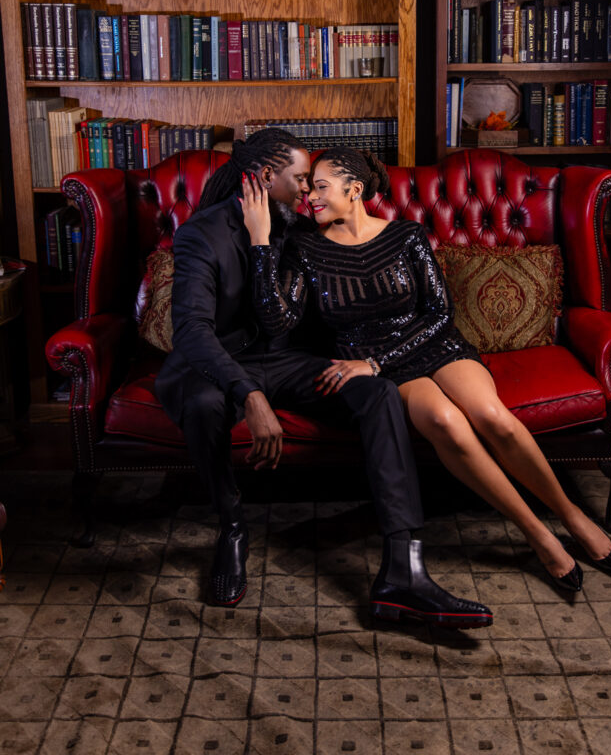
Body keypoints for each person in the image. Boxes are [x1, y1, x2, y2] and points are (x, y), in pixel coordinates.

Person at [242, 147, 611, 593]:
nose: (309, 197)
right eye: (309, 188)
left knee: (492, 418)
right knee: (446, 421)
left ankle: (571, 517)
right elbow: (277, 322)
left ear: (355, 189)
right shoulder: (304, 248)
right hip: (379, 367)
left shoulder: (406, 236)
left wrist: (376, 361)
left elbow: (441, 314)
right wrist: (260, 243)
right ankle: (536, 533)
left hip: (430, 346)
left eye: (321, 187)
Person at [155, 129, 492, 628]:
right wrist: (248, 394)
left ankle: (403, 570)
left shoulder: (299, 225)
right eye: (299, 179)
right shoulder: (201, 234)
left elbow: (303, 305)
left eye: (315, 182)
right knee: (205, 407)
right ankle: (231, 528)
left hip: (289, 360)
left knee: (377, 393)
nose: (308, 190)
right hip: (218, 363)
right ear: (267, 177)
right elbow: (192, 333)